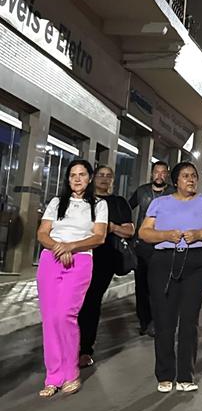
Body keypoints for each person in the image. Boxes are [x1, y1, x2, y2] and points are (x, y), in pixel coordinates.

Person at [138, 161, 202, 392]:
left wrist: (200, 233)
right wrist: (165, 235)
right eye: (185, 176)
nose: (191, 179)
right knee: (164, 319)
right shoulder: (160, 203)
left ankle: (186, 375)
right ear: (175, 181)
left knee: (189, 319)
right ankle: (165, 374)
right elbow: (144, 232)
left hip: (196, 262)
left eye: (194, 176)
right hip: (164, 261)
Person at [35, 159, 108, 397]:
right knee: (50, 318)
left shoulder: (99, 205)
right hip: (51, 260)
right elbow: (42, 233)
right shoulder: (57, 202)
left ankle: (70, 373)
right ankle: (53, 376)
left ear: (90, 178)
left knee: (66, 315)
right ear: (68, 179)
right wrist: (58, 247)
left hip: (80, 261)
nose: (77, 179)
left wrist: (71, 246)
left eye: (82, 174)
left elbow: (99, 237)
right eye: (73, 175)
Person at [78, 165, 135, 366]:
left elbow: (129, 231)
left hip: (105, 259)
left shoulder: (119, 203)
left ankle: (85, 348)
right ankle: (67, 345)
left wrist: (111, 227)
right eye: (100, 175)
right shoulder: (82, 200)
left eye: (108, 176)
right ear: (93, 178)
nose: (104, 178)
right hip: (79, 256)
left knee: (91, 300)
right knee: (74, 302)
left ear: (113, 180)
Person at [129, 161, 172, 336]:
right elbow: (127, 208)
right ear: (152, 173)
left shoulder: (173, 193)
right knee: (141, 286)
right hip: (142, 245)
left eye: (163, 172)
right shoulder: (142, 191)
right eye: (156, 172)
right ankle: (144, 321)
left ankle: (157, 320)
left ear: (167, 174)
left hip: (164, 245)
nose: (159, 175)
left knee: (160, 286)